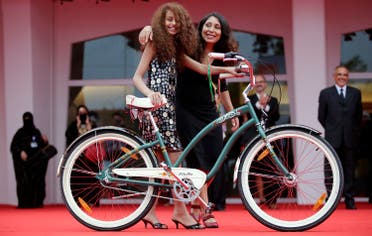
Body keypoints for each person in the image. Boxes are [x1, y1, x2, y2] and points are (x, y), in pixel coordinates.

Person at [133, 3, 240, 230]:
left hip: (170, 109)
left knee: (163, 166)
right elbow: (137, 77)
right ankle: (180, 211)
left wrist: (229, 71)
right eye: (168, 20)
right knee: (177, 164)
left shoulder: (176, 48)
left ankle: (151, 212)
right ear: (161, 22)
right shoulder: (155, 43)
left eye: (176, 20)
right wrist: (150, 93)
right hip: (160, 109)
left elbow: (202, 69)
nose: (172, 24)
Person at [318, 65, 362, 210]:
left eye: (345, 75)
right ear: (334, 76)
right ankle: (331, 200)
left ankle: (350, 200)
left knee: (349, 170)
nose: (342, 77)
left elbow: (358, 117)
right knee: (330, 170)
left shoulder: (356, 93)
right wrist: (332, 130)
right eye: (339, 74)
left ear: (348, 77)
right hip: (332, 139)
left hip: (350, 139)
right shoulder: (325, 93)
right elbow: (321, 116)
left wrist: (352, 131)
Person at [240, 74, 280, 208]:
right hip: (253, 140)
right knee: (253, 170)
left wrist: (266, 106)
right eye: (256, 82)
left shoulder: (273, 100)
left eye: (261, 81)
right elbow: (247, 117)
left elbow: (276, 116)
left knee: (271, 171)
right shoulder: (248, 99)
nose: (259, 84)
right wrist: (258, 104)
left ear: (266, 84)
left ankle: (271, 200)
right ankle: (255, 200)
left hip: (270, 140)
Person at [10, 112, 51, 208]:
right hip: (24, 164)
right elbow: (13, 146)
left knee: (38, 181)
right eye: (25, 118)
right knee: (24, 182)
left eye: (29, 118)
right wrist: (20, 152)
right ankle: (24, 204)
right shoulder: (19, 133)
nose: (27, 121)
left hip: (36, 163)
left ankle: (37, 202)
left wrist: (45, 141)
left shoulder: (36, 132)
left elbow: (41, 147)